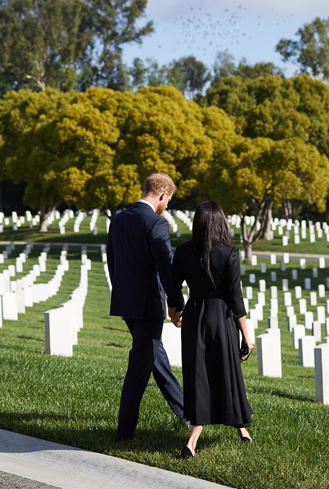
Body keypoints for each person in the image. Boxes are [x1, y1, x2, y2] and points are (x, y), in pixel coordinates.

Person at [107, 173, 187, 441]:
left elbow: (112, 263)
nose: (167, 206)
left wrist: (121, 300)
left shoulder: (117, 220)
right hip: (147, 307)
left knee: (156, 360)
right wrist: (177, 304)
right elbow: (166, 267)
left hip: (126, 304)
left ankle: (186, 413)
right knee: (139, 370)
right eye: (169, 200)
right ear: (162, 194)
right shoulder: (156, 223)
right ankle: (125, 433)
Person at [170, 200, 254, 458]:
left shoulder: (183, 251)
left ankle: (198, 439)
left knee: (199, 375)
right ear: (221, 222)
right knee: (227, 373)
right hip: (222, 318)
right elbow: (235, 298)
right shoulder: (229, 252)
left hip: (195, 315)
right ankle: (232, 428)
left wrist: (175, 312)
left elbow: (173, 286)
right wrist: (246, 337)